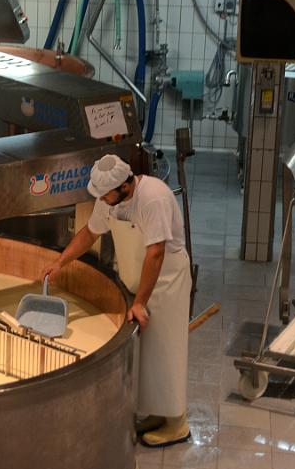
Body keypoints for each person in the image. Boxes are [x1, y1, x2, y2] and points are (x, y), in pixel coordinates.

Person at [42, 153, 192, 448]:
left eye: (105, 194)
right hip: (140, 279)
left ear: (125, 185)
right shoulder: (109, 199)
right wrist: (61, 262)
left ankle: (178, 423)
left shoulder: (153, 198)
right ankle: (159, 414)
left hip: (167, 281)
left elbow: (156, 253)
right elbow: (90, 233)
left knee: (167, 351)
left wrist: (140, 302)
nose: (102, 199)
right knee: (148, 355)